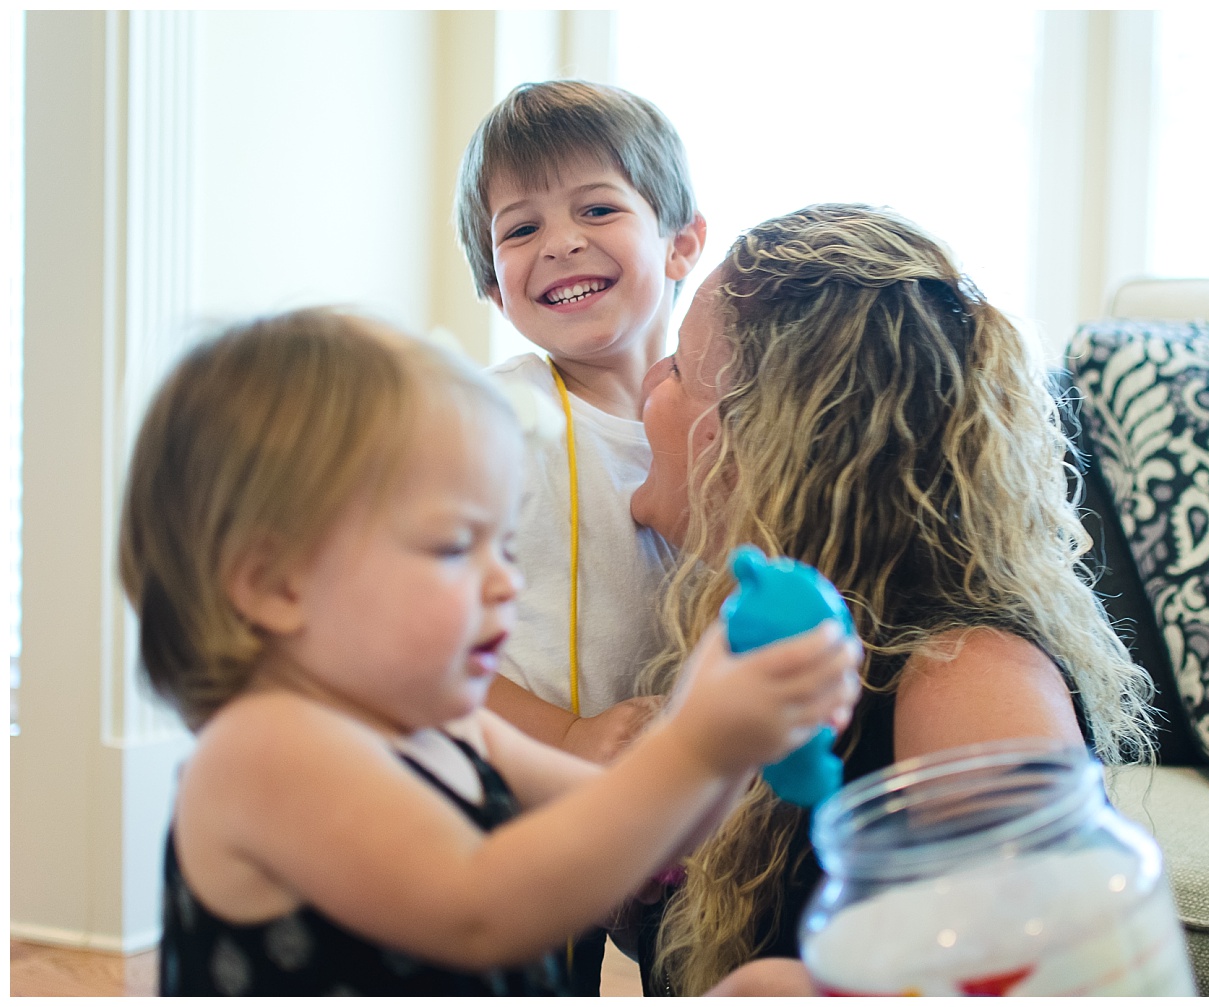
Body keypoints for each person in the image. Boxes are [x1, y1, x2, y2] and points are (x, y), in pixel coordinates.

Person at [117, 308, 860, 995]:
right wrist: (698, 746)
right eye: (452, 546)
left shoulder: (450, 726)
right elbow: (482, 905)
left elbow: (632, 826)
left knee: (774, 988)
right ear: (275, 584)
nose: (504, 580)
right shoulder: (265, 751)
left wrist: (729, 735)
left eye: (504, 543)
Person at [627, 204, 1158, 995]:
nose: (645, 383)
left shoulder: (964, 680)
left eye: (674, 367)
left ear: (744, 443)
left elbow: (1067, 987)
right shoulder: (749, 651)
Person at [452, 80, 706, 770]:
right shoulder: (487, 421)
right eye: (522, 228)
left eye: (596, 208)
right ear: (498, 291)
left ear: (682, 243)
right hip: (510, 800)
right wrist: (561, 737)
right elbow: (396, 641)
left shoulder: (725, 424)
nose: (562, 243)